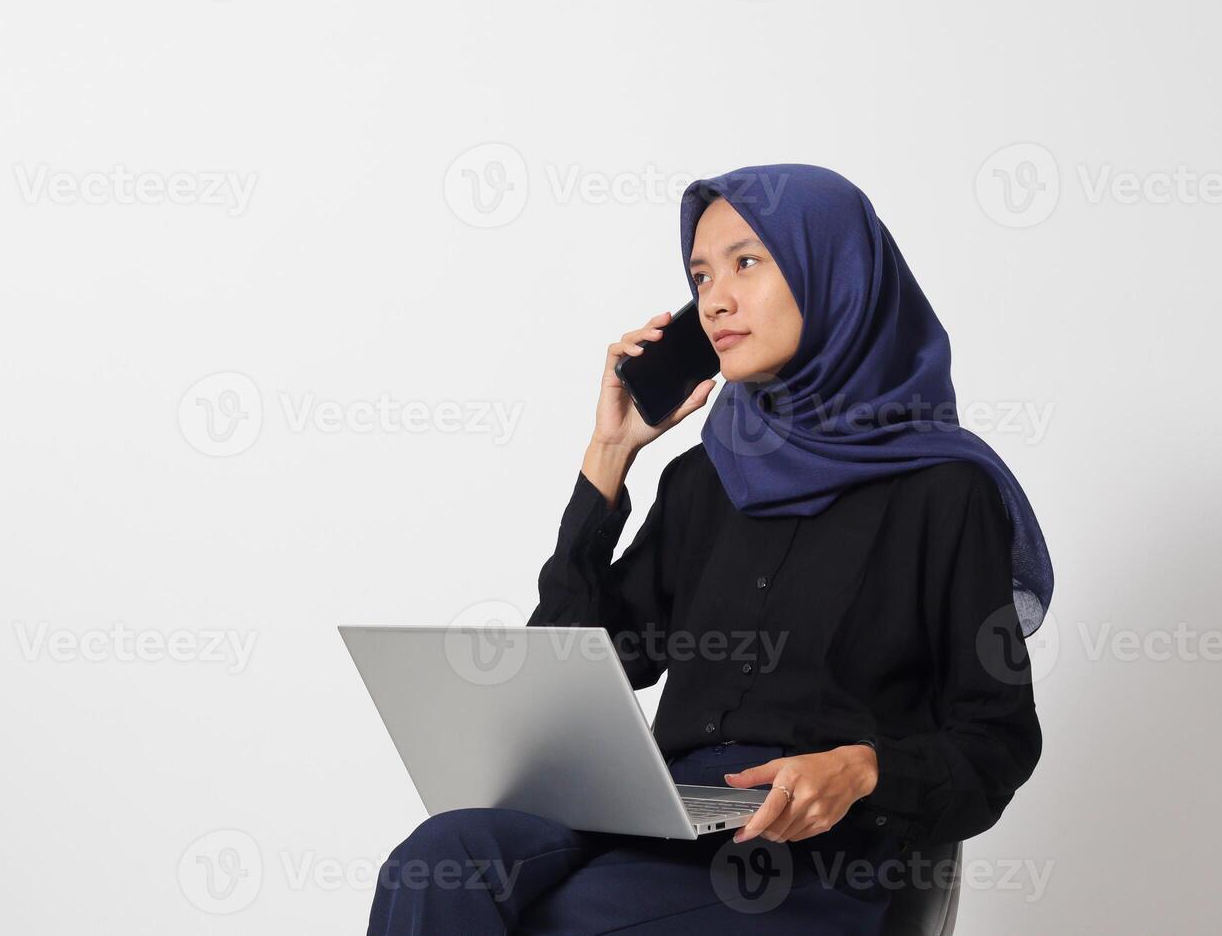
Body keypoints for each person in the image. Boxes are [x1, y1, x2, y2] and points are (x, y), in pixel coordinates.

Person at [366, 163, 1052, 934]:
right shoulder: (707, 477)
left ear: (836, 275)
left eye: (746, 262)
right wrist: (609, 452)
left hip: (812, 850)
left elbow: (996, 740)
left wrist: (862, 768)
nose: (715, 298)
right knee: (438, 862)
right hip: (662, 812)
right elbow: (576, 670)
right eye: (700, 274)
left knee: (571, 920)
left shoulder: (944, 491)